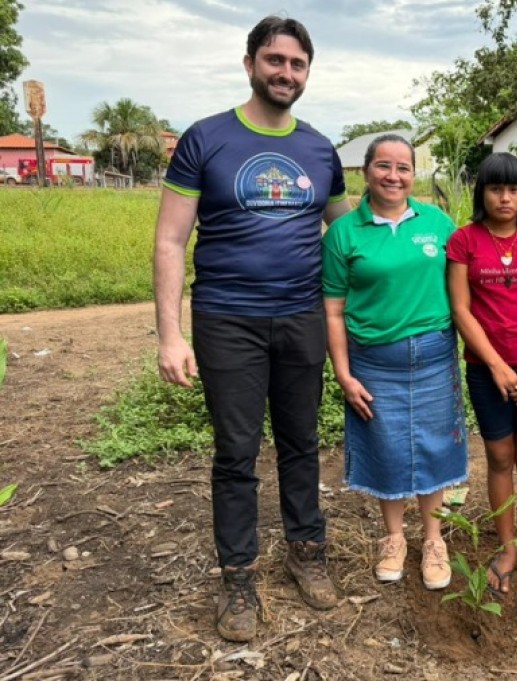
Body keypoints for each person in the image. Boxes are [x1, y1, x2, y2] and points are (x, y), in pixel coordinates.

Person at [153, 16, 350, 642]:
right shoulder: (206, 139)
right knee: (236, 452)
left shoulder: (320, 150)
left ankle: (306, 552)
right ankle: (238, 577)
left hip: (301, 317)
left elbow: (347, 235)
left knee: (300, 441)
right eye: (274, 60)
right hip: (226, 318)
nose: (285, 73)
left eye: (297, 64)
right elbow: (170, 240)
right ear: (250, 65)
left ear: (308, 72)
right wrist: (170, 335)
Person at [322, 134, 468, 592]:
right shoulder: (344, 233)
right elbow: (333, 310)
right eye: (383, 166)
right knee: (385, 446)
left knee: (434, 445)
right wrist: (343, 373)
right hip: (373, 363)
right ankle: (393, 538)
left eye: (403, 167)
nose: (394, 176)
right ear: (365, 171)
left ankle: (433, 539)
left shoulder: (438, 223)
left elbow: (464, 291)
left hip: (434, 357)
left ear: (413, 174)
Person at [447, 152, 517, 600]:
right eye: (495, 189)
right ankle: (508, 548)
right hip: (485, 369)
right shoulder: (464, 241)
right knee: (499, 457)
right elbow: (461, 309)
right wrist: (495, 364)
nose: (505, 198)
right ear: (482, 193)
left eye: (513, 189)